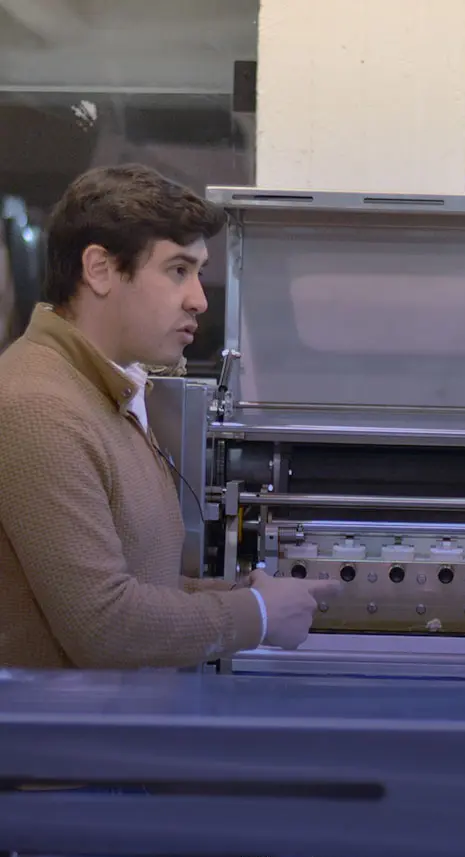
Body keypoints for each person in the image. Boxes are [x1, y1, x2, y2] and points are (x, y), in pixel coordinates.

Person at [0, 163, 339, 669]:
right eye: (178, 270)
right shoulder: (38, 408)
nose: (199, 299)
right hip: (59, 723)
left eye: (198, 272)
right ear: (100, 269)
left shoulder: (105, 393)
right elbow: (103, 626)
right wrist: (258, 615)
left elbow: (138, 582)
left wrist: (243, 595)